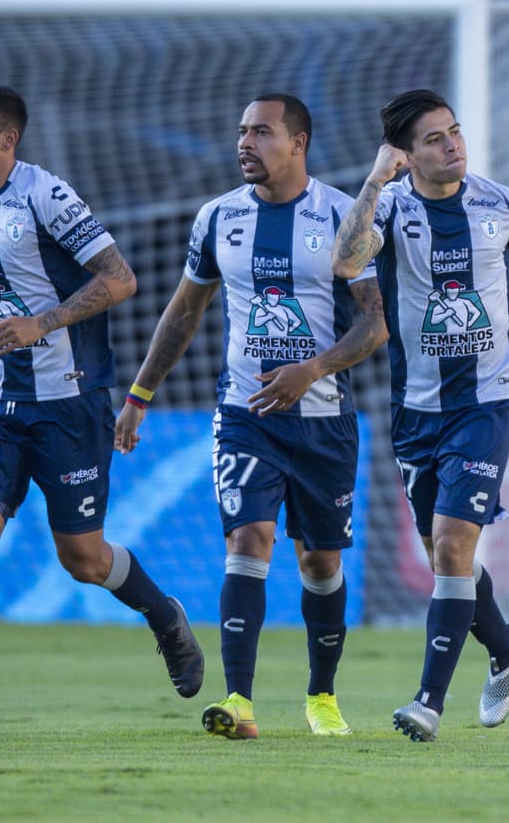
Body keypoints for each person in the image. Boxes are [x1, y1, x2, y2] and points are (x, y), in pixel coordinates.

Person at [0, 83, 204, 746]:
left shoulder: (47, 196)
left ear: (8, 140)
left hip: (70, 402)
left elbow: (119, 277)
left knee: (84, 559)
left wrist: (43, 322)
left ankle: (163, 614)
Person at [114, 93, 387, 739]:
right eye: (240, 131)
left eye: (261, 132)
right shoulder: (217, 217)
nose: (245, 143)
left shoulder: (345, 215)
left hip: (323, 417)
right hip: (244, 412)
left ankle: (321, 696)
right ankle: (239, 701)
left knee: (318, 561)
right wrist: (138, 395)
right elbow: (184, 312)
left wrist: (311, 371)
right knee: (248, 539)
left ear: (299, 142)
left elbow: (376, 323)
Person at [332, 89, 509, 742]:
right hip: (417, 408)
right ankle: (506, 646)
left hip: (488, 399)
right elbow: (344, 261)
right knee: (444, 555)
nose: (452, 144)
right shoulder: (391, 210)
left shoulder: (502, 202)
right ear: (406, 154)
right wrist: (376, 180)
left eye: (454, 131)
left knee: (456, 542)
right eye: (434, 138)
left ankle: (429, 701)